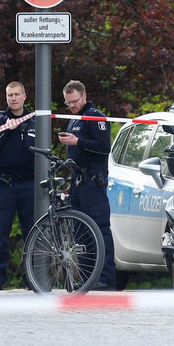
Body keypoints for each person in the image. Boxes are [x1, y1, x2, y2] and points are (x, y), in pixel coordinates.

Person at [58, 80, 116, 290]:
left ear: (84, 96)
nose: (72, 105)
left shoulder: (96, 117)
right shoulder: (74, 119)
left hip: (93, 182)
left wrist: (78, 142)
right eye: (68, 103)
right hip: (77, 182)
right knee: (81, 231)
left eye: (74, 101)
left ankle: (106, 278)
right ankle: (88, 277)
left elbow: (103, 147)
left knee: (100, 229)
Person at [0, 82, 36, 291]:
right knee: (0, 234)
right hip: (4, 184)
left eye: (16, 94)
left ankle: (31, 277)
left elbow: (39, 149)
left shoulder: (35, 120)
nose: (13, 98)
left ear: (24, 96)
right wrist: (7, 129)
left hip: (28, 184)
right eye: (9, 95)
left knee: (31, 233)